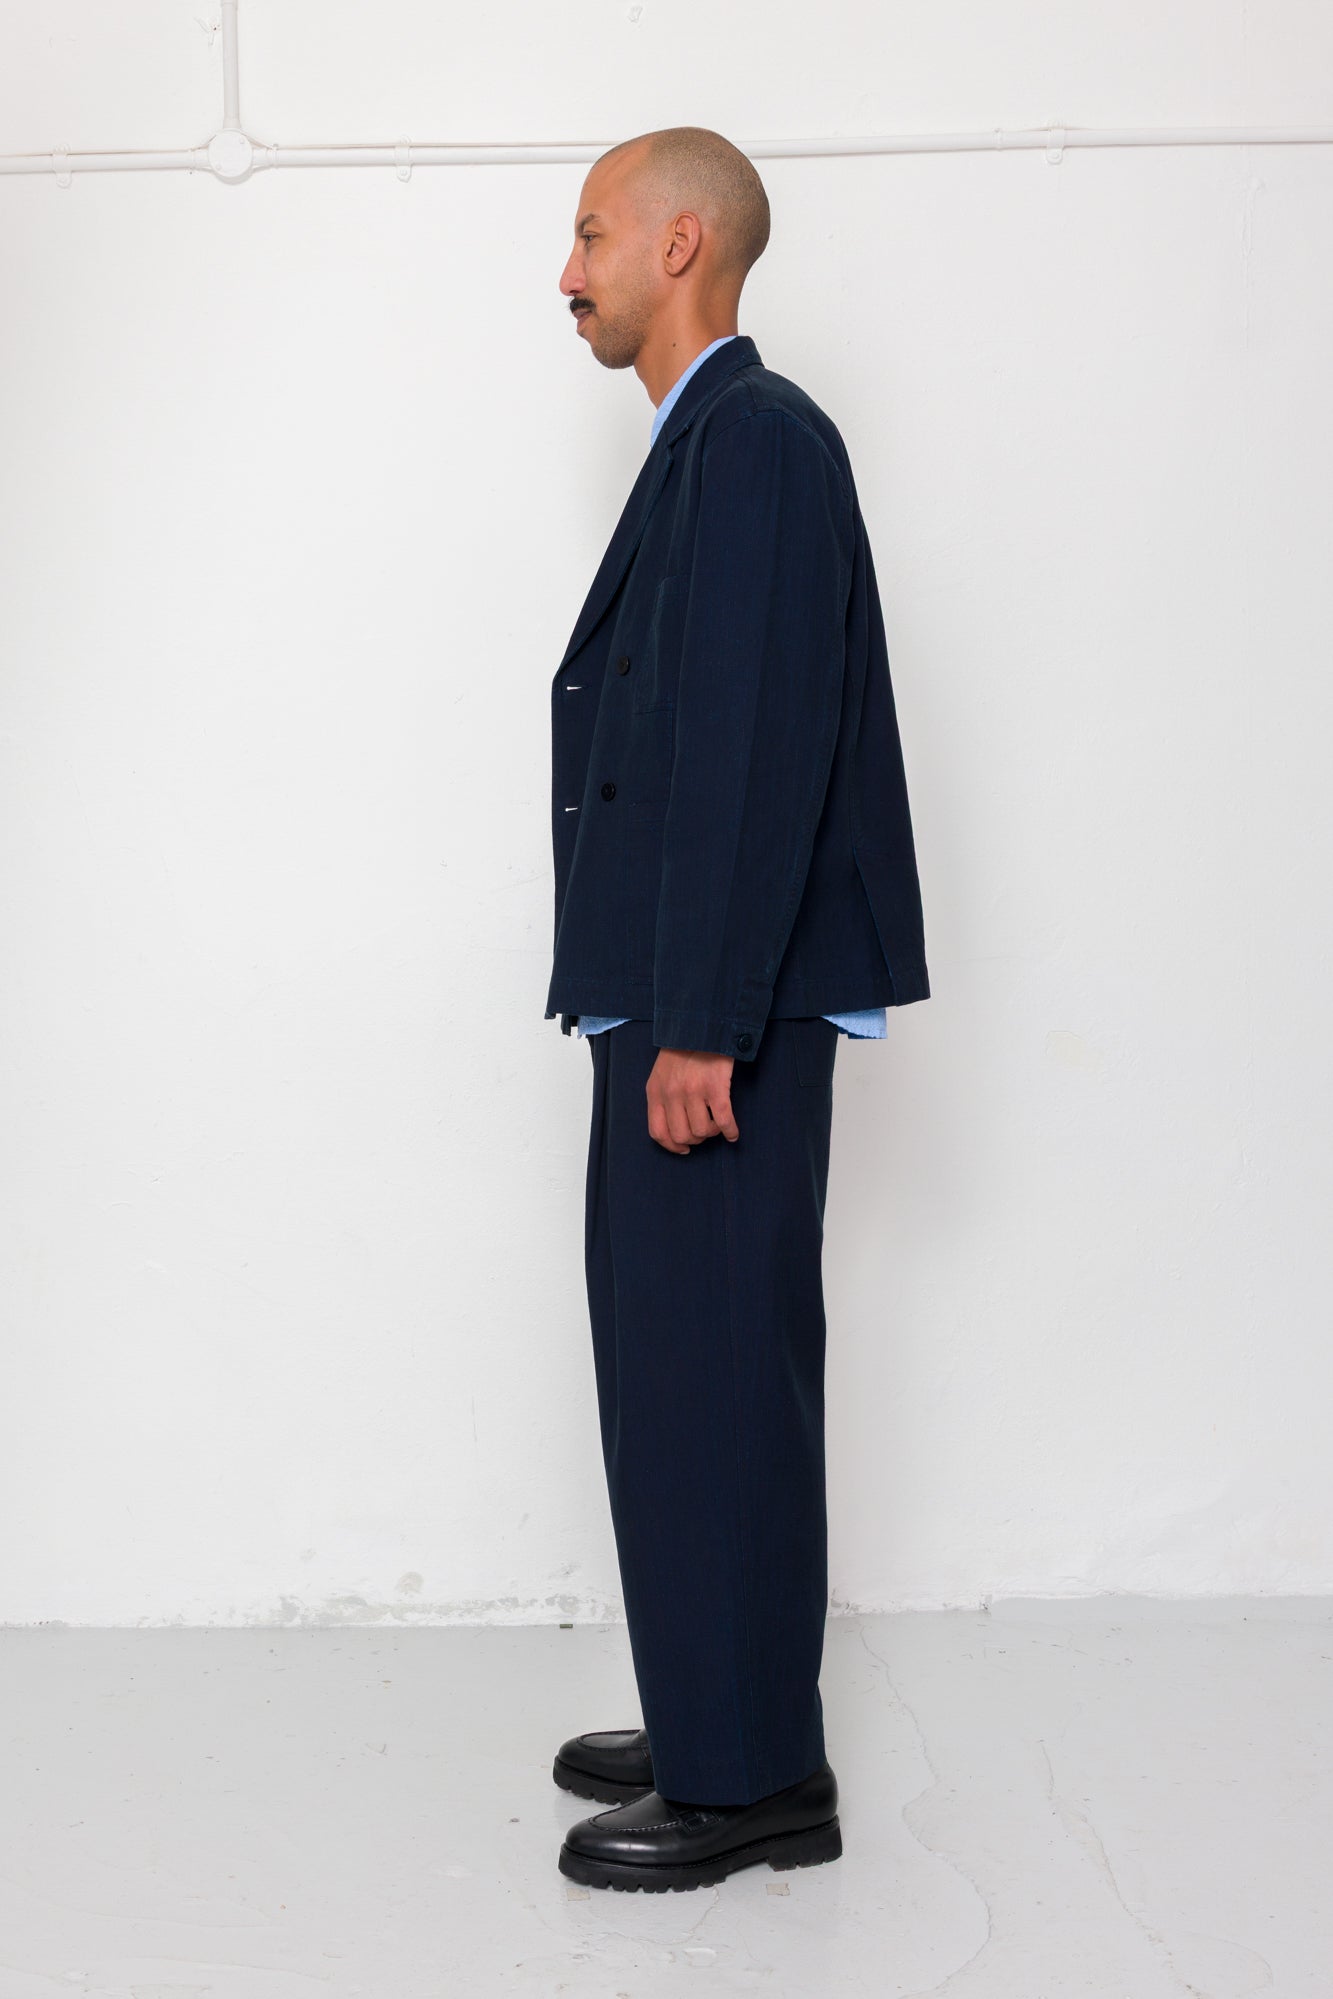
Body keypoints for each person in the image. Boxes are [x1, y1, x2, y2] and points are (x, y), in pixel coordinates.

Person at [544, 125, 930, 1892]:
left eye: (593, 233)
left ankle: (752, 1778)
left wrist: (698, 1018)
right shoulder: (715, 443)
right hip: (677, 1000)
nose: (570, 272)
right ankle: (726, 1700)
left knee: (710, 1374)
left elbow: (754, 747)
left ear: (681, 241)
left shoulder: (757, 444)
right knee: (681, 1369)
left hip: (718, 1020)